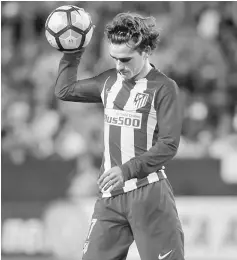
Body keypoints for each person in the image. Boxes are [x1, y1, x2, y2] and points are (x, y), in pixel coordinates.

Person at [55, 12, 185, 260]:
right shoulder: (108, 82)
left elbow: (169, 144)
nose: (118, 66)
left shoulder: (164, 88)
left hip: (149, 195)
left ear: (146, 51)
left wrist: (125, 170)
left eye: (125, 59)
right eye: (114, 59)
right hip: (110, 199)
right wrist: (73, 50)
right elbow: (64, 89)